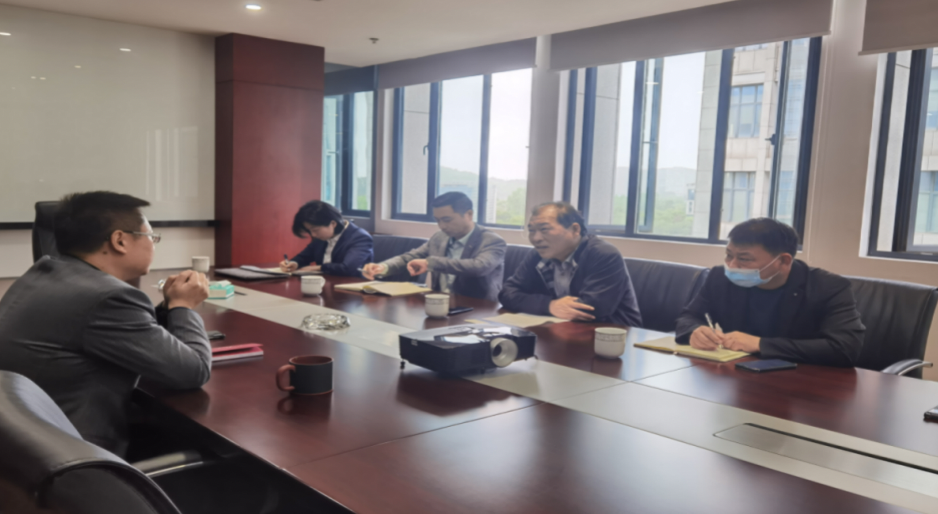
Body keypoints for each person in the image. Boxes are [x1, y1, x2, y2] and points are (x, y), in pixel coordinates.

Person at [0, 191, 211, 457]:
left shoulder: (43, 273)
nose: (153, 245)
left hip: (26, 449)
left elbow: (111, 330)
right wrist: (183, 306)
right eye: (151, 236)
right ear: (119, 241)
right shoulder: (109, 297)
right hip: (78, 457)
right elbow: (194, 372)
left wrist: (169, 307)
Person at [675, 218, 864, 367]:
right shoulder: (719, 277)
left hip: (801, 381)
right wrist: (695, 331)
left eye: (744, 259)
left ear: (783, 261)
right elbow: (688, 317)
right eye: (729, 255)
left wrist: (760, 344)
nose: (732, 265)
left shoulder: (828, 287)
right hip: (735, 375)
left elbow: (845, 348)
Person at [499, 202, 642, 326]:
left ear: (575, 230)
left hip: (614, 334)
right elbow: (507, 293)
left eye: (544, 229)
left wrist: (536, 304)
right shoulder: (537, 255)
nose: (536, 238)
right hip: (560, 329)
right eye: (531, 230)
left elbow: (592, 309)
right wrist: (549, 305)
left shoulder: (603, 254)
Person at [361, 192, 506, 301]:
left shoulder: (492, 241)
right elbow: (411, 257)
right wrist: (383, 267)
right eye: (437, 220)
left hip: (478, 308)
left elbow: (478, 267)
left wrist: (430, 263)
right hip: (439, 304)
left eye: (447, 220)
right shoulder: (439, 237)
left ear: (469, 214)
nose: (441, 226)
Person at [280, 200, 373, 277]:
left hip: (351, 289)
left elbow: (348, 268)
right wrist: (294, 263)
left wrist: (320, 268)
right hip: (324, 285)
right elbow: (304, 256)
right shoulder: (321, 237)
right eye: (309, 231)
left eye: (315, 230)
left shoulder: (360, 238)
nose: (313, 235)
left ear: (333, 224)